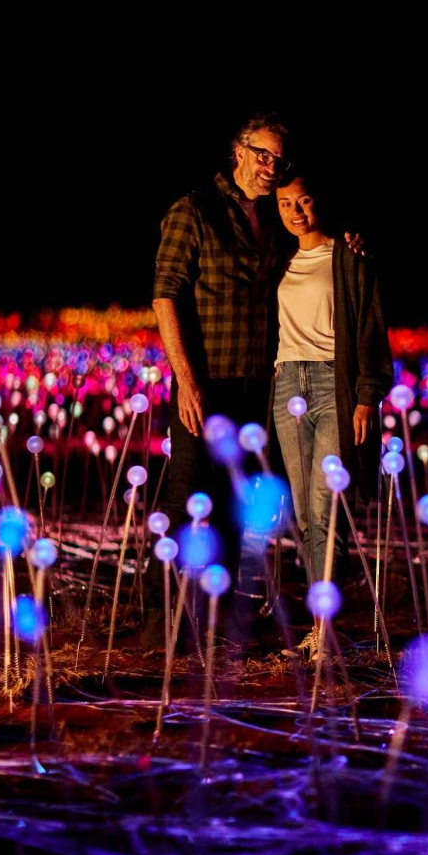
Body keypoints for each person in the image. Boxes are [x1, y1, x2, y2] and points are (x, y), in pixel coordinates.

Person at [142, 114, 288, 650]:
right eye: (262, 154)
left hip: (256, 387)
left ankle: (218, 620)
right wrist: (186, 381)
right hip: (206, 385)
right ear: (238, 152)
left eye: (278, 158)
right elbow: (165, 295)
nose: (270, 167)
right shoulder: (194, 210)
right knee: (185, 503)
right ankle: (164, 626)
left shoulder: (274, 220)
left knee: (232, 510)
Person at [264, 172, 393, 650]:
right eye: (285, 204)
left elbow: (370, 327)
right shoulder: (274, 260)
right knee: (302, 514)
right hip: (286, 386)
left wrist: (366, 394)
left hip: (331, 384)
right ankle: (321, 625)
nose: (296, 212)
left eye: (304, 200)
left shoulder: (349, 256)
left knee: (327, 509)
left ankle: (327, 628)